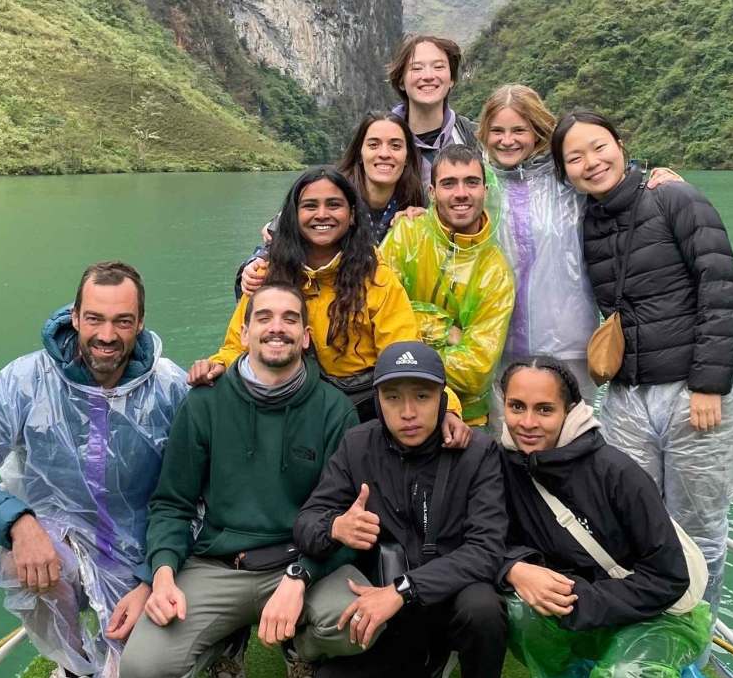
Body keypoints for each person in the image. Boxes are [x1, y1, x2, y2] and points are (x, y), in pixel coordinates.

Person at [0, 262, 188, 678]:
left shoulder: (170, 387)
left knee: (142, 670)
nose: (106, 335)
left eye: (122, 321)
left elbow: (200, 492)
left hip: (148, 558)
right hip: (59, 551)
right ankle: (73, 666)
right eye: (95, 319)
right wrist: (17, 523)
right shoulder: (25, 381)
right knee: (18, 563)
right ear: (75, 317)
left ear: (140, 323)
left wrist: (151, 577)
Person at [117, 283, 373, 678]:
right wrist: (162, 575)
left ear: (305, 336)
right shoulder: (204, 402)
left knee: (359, 622)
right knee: (141, 669)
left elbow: (344, 523)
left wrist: (300, 575)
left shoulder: (334, 410)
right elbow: (172, 503)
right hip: (218, 565)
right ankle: (225, 640)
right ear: (244, 332)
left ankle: (301, 647)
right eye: (264, 317)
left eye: (290, 319)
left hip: (304, 561)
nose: (277, 327)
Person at [553, 109, 733, 618]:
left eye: (599, 147)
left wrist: (709, 383)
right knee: (631, 519)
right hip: (629, 394)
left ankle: (695, 642)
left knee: (699, 529)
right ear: (564, 172)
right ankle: (647, 632)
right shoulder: (587, 220)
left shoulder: (674, 198)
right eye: (574, 157)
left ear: (621, 146)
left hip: (694, 390)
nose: (591, 162)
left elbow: (719, 288)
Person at [192, 167, 470, 441]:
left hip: (360, 409)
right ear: (294, 216)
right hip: (288, 402)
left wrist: (448, 408)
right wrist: (217, 364)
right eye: (310, 205)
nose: (322, 214)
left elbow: (404, 353)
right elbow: (237, 346)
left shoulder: (376, 278)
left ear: (352, 215)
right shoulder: (270, 275)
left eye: (334, 205)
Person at [294, 342, 509, 678]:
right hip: (385, 610)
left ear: (442, 398)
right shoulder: (357, 445)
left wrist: (404, 588)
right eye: (393, 397)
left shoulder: (478, 452)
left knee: (482, 608)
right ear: (378, 399)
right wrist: (335, 527)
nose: (408, 412)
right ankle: (425, 663)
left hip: (449, 596)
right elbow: (307, 521)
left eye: (422, 396)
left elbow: (486, 550)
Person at [496, 357, 711, 678]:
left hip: (658, 615)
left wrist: (577, 600)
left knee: (623, 674)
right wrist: (514, 567)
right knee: (518, 609)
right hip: (580, 609)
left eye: (544, 409)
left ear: (569, 411)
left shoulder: (617, 473)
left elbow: (669, 579)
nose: (527, 422)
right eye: (516, 406)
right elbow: (482, 536)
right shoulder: (500, 467)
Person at [478, 85, 680, 417]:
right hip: (495, 343)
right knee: (507, 439)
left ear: (537, 130)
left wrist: (657, 184)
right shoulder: (480, 184)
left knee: (572, 435)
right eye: (497, 131)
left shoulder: (567, 179)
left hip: (569, 343)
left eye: (519, 130)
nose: (507, 140)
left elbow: (616, 189)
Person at [380, 144, 515, 427]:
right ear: (432, 193)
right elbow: (375, 312)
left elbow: (475, 370)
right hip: (394, 406)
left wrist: (406, 352)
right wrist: (442, 328)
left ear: (485, 191)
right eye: (449, 183)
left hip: (466, 417)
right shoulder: (407, 235)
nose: (461, 193)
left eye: (471, 182)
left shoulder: (495, 271)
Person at [235, 111, 428, 300]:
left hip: (386, 305)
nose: (384, 154)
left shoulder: (415, 203)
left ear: (407, 157)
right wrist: (254, 265)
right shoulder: (330, 195)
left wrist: (425, 223)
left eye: (395, 146)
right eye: (373, 145)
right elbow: (278, 242)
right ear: (359, 154)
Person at [387, 34, 481, 183]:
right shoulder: (381, 144)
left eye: (438, 67)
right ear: (401, 81)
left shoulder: (475, 137)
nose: (428, 76)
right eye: (417, 68)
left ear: (451, 79)